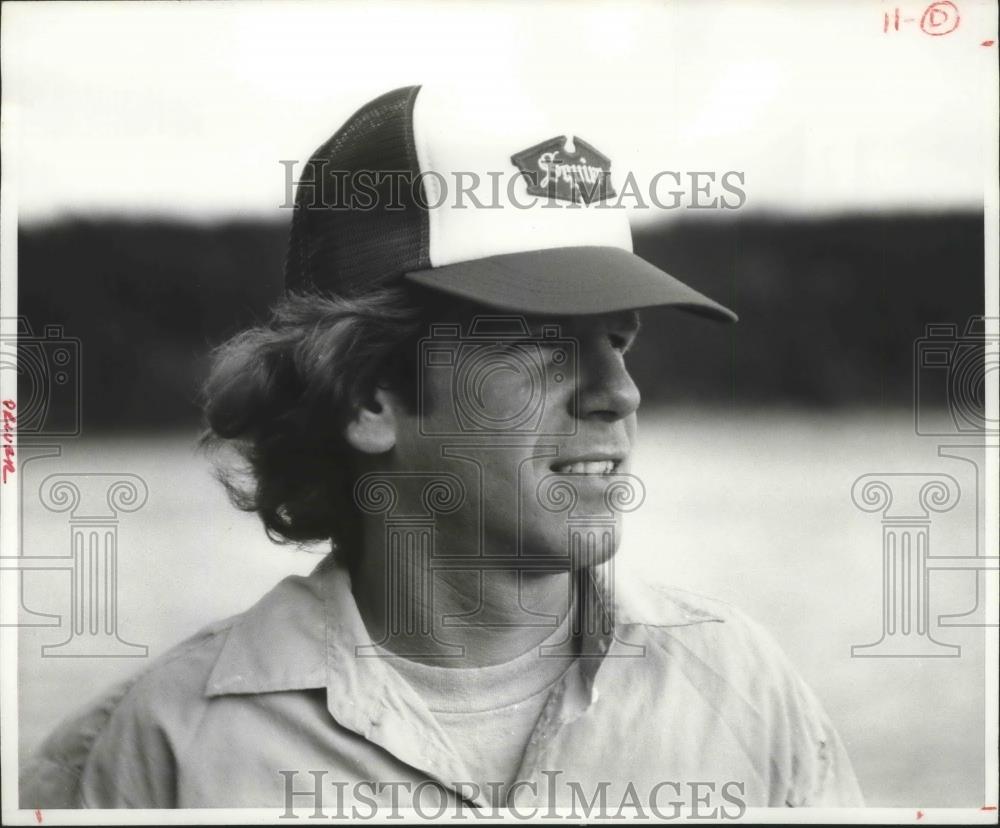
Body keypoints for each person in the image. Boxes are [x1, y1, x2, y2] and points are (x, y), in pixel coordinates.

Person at [21, 85, 863, 814]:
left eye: (619, 340)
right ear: (367, 395)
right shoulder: (164, 748)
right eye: (540, 344)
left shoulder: (745, 692)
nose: (618, 392)